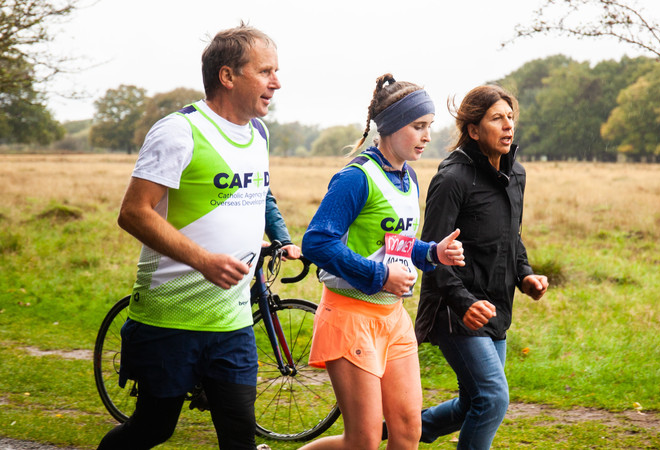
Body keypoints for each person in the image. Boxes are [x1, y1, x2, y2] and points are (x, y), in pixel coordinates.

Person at [97, 23, 299, 450]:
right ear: (228, 76)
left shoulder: (259, 134)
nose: (276, 83)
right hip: (170, 318)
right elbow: (133, 212)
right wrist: (204, 260)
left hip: (233, 321)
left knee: (240, 438)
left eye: (276, 72)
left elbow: (255, 196)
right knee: (154, 428)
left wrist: (272, 238)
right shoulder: (179, 130)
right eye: (265, 71)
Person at [299, 73, 465, 450]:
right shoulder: (356, 178)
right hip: (350, 317)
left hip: (394, 319)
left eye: (429, 127)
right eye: (418, 126)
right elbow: (316, 241)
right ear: (389, 127)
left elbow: (396, 245)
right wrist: (378, 275)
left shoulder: (408, 178)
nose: (427, 136)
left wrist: (432, 253)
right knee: (364, 441)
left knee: (408, 433)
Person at [414, 85, 549, 450]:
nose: (508, 126)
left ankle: (398, 428)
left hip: (494, 307)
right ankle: (397, 428)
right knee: (491, 399)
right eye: (496, 119)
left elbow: (510, 238)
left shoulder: (515, 174)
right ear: (473, 130)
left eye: (510, 118)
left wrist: (525, 274)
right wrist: (463, 303)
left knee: (472, 404)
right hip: (453, 310)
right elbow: (431, 254)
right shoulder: (452, 178)